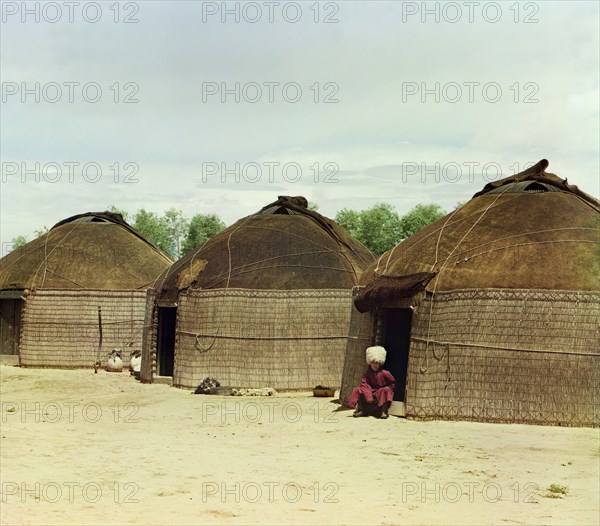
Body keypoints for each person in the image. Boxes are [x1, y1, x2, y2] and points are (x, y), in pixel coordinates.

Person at [347, 346, 395, 419]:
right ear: (370, 363)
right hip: (370, 392)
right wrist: (368, 393)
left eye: (377, 363)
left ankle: (383, 412)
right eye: (373, 363)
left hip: (381, 392)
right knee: (358, 389)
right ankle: (362, 410)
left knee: (387, 390)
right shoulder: (368, 373)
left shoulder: (385, 373)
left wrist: (387, 390)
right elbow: (364, 383)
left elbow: (392, 384)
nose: (375, 365)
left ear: (380, 363)